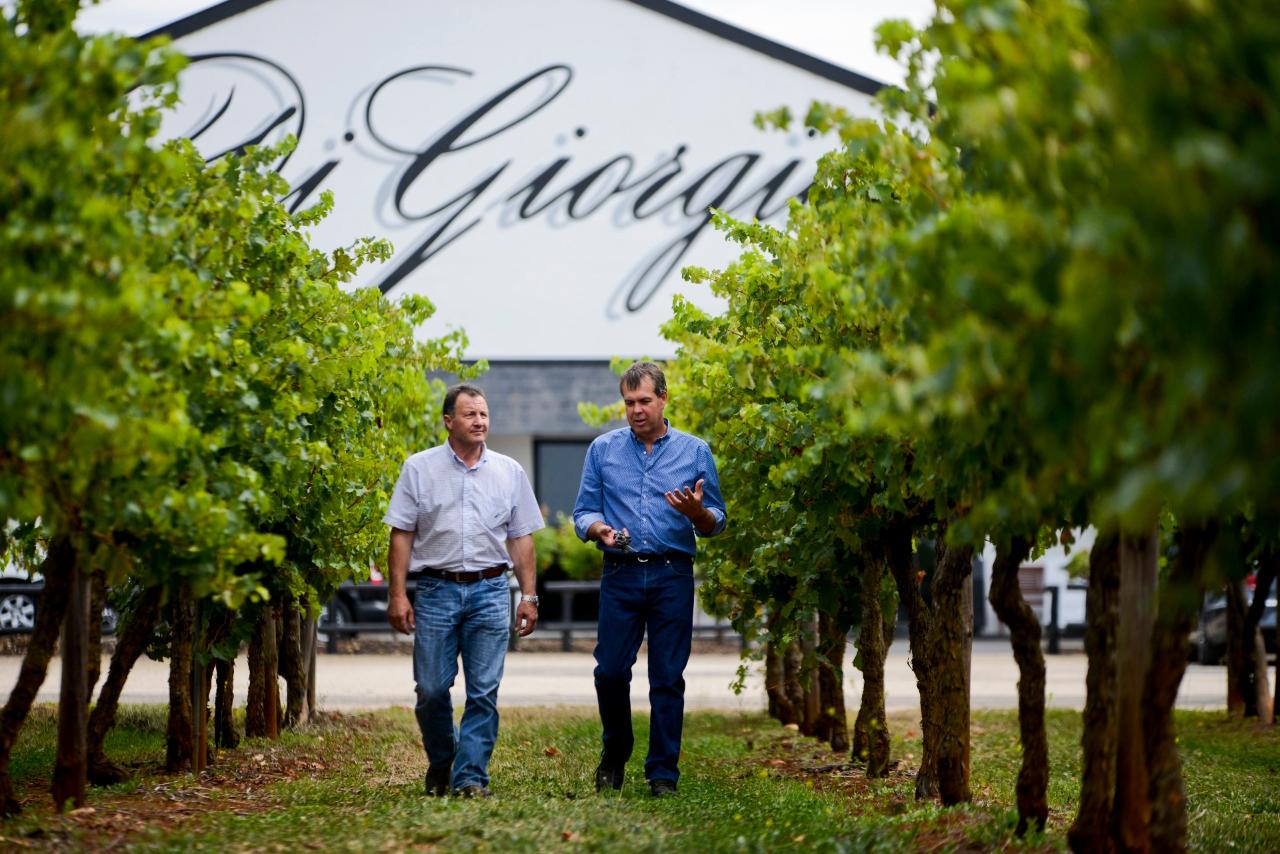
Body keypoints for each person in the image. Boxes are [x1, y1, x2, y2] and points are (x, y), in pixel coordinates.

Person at [572, 361, 727, 798]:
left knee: (667, 677)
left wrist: (697, 514)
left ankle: (662, 774)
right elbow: (583, 511)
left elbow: (717, 520)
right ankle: (616, 749)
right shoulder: (603, 450)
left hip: (671, 574)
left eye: (644, 401)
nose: (636, 410)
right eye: (628, 402)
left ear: (663, 399)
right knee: (610, 672)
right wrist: (597, 529)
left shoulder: (695, 452)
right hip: (619, 573)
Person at [384, 383, 543, 798]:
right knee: (431, 690)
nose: (480, 422)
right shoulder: (418, 468)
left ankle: (470, 777)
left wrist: (528, 596)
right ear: (448, 420)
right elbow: (401, 533)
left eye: (484, 415)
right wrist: (397, 594)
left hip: (492, 590)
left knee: (484, 691)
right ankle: (444, 759)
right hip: (436, 589)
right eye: (471, 414)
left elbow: (522, 537)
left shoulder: (509, 471)